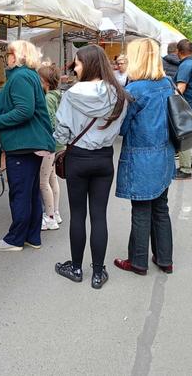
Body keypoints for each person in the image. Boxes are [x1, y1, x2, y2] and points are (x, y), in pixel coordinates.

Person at [53, 44, 128, 289]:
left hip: (77, 157)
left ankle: (76, 268)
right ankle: (98, 273)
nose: (75, 67)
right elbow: (119, 128)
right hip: (104, 158)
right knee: (99, 216)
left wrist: (65, 135)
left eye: (77, 62)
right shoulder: (118, 93)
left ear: (88, 64)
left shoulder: (71, 94)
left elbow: (62, 130)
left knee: (78, 215)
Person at [0, 40, 55, 252]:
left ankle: (15, 239)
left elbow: (24, 110)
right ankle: (32, 236)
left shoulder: (21, 76)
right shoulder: (27, 75)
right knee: (30, 192)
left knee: (21, 193)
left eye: (9, 52)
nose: (7, 56)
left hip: (23, 143)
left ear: (19, 55)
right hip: (28, 142)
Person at [114, 38, 175, 276]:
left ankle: (138, 261)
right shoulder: (167, 83)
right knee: (161, 207)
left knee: (140, 209)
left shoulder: (134, 90)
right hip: (164, 153)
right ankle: (164, 258)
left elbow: (122, 127)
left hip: (141, 156)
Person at [38, 64, 63, 231]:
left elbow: (50, 121)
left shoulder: (47, 99)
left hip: (49, 144)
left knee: (43, 182)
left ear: (45, 82)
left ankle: (50, 218)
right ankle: (55, 212)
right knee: (52, 178)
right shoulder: (57, 95)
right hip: (57, 144)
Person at [174, 39, 192, 180]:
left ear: (178, 52)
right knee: (187, 136)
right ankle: (191, 163)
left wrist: (170, 100)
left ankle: (185, 169)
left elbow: (180, 88)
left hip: (187, 105)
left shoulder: (186, 66)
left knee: (183, 138)